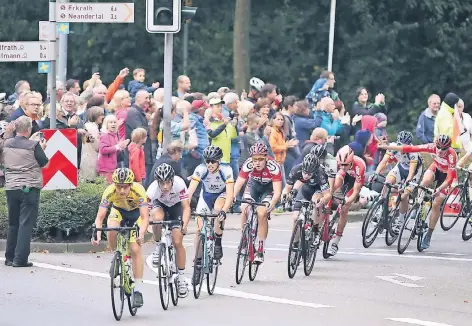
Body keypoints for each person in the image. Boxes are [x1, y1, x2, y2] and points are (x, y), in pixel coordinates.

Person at [379, 134, 457, 250]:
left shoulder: (451, 155)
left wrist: (438, 189)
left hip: (447, 177)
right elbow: (409, 148)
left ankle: (429, 234)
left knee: (436, 203)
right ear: (435, 144)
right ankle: (419, 205)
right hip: (436, 167)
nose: (440, 150)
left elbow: (450, 178)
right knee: (423, 183)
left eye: (444, 148)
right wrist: (387, 147)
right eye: (438, 147)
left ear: (448, 148)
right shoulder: (431, 147)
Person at [91, 168, 149, 308]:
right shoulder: (109, 191)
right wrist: (97, 235)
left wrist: (141, 234)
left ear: (131, 184)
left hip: (136, 215)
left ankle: (138, 290)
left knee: (135, 249)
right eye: (119, 187)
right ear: (114, 185)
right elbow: (100, 217)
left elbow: (145, 217)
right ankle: (117, 256)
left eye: (125, 187)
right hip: (119, 211)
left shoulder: (139, 190)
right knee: (111, 228)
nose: (122, 190)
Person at [3, 116, 48, 267]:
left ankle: (9, 258)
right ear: (29, 130)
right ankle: (20, 259)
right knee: (25, 224)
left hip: (11, 187)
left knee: (13, 223)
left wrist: (6, 135)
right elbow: (44, 163)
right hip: (29, 188)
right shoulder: (34, 145)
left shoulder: (6, 144)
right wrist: (43, 147)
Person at [233, 141, 283, 263]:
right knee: (244, 207)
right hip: (253, 186)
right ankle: (244, 240)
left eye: (261, 159)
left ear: (266, 157)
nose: (257, 162)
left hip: (268, 189)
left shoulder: (273, 167)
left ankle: (260, 249)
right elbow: (238, 184)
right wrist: (233, 197)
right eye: (255, 159)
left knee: (262, 213)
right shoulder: (248, 164)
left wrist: (272, 203)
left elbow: (277, 191)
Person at [147, 163, 191, 297]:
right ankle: (158, 246)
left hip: (176, 206)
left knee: (177, 241)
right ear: (157, 182)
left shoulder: (179, 184)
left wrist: (184, 226)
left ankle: (182, 278)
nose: (165, 186)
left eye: (167, 183)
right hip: (160, 205)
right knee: (157, 218)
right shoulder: (152, 190)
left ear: (172, 180)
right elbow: (144, 213)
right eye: (162, 183)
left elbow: (187, 208)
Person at [188, 146, 234, 261]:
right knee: (199, 227)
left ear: (219, 161)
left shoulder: (226, 170)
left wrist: (224, 210)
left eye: (213, 161)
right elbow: (190, 192)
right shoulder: (200, 169)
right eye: (207, 161)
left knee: (218, 210)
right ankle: (198, 257)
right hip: (206, 196)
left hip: (221, 195)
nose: (209, 164)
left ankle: (218, 241)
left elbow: (230, 194)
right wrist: (185, 207)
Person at [372, 131, 423, 232]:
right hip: (400, 168)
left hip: (414, 173)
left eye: (405, 146)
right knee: (387, 183)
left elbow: (411, 172)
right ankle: (381, 210)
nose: (402, 148)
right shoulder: (393, 147)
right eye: (401, 145)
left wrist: (406, 183)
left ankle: (400, 221)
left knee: (404, 195)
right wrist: (376, 174)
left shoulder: (413, 153)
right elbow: (383, 162)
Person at [282, 153, 331, 245]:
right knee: (295, 217)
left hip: (318, 190)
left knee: (315, 200)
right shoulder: (296, 169)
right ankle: (295, 242)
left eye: (309, 174)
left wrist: (322, 201)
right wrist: (285, 196)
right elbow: (287, 188)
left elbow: (327, 195)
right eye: (304, 172)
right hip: (306, 189)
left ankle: (316, 229)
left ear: (315, 171)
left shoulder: (320, 173)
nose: (305, 175)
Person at [328, 145, 367, 256]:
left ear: (351, 161)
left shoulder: (359, 166)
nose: (343, 166)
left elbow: (355, 191)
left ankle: (335, 242)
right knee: (333, 187)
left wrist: (348, 201)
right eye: (341, 164)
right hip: (343, 176)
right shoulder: (338, 165)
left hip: (354, 180)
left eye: (345, 164)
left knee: (344, 208)